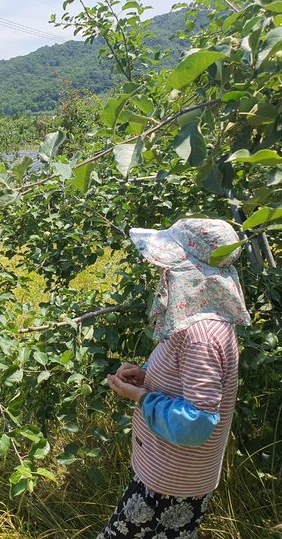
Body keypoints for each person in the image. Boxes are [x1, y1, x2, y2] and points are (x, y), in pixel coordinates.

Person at [100, 218, 251, 538]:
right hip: (175, 475)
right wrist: (147, 377)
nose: (162, 272)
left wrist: (140, 397)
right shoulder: (201, 320)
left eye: (169, 265)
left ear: (191, 273)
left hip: (169, 483)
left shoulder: (202, 334)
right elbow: (192, 384)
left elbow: (196, 422)